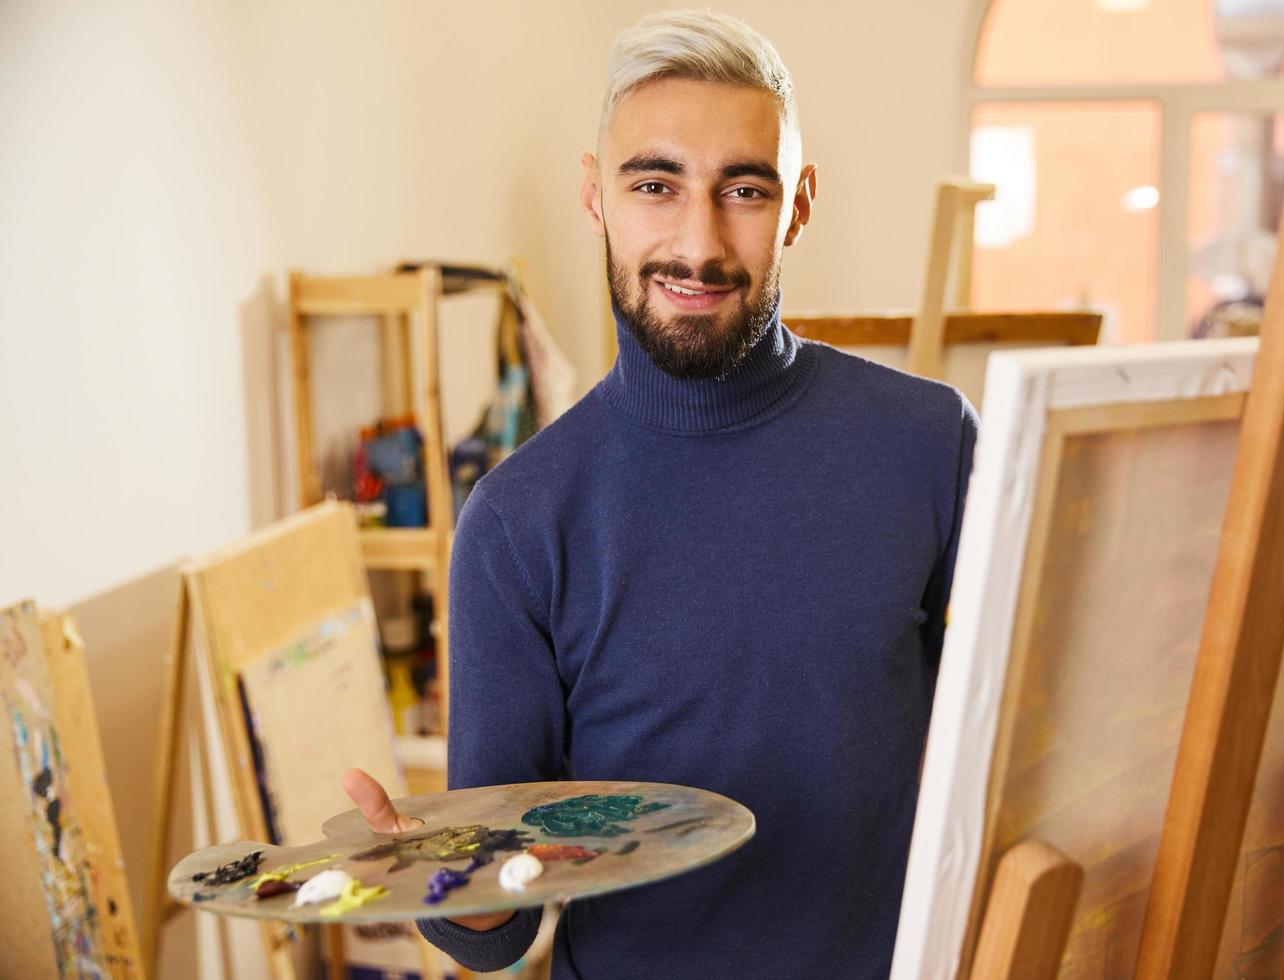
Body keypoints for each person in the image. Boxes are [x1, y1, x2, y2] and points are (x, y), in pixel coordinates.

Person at [343, 10, 977, 978]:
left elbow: (1006, 764)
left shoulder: (930, 447)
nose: (699, 241)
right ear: (597, 195)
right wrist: (430, 871)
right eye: (655, 183)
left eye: (745, 189)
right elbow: (499, 930)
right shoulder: (518, 522)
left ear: (799, 203)